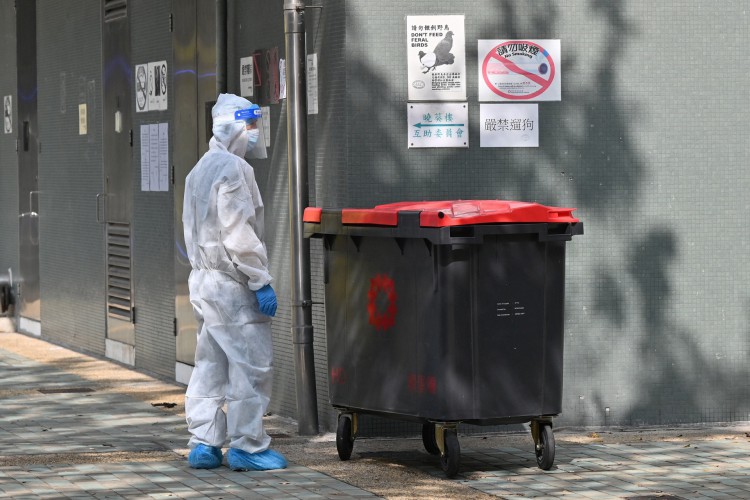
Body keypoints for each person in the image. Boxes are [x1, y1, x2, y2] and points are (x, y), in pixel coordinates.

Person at [182, 93, 286, 471]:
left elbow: (194, 231)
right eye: (252, 126)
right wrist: (259, 279)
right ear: (238, 127)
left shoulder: (200, 169)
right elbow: (238, 232)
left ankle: (204, 443)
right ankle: (248, 445)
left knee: (211, 362)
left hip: (204, 282)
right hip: (232, 285)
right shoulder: (234, 170)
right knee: (251, 365)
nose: (255, 134)